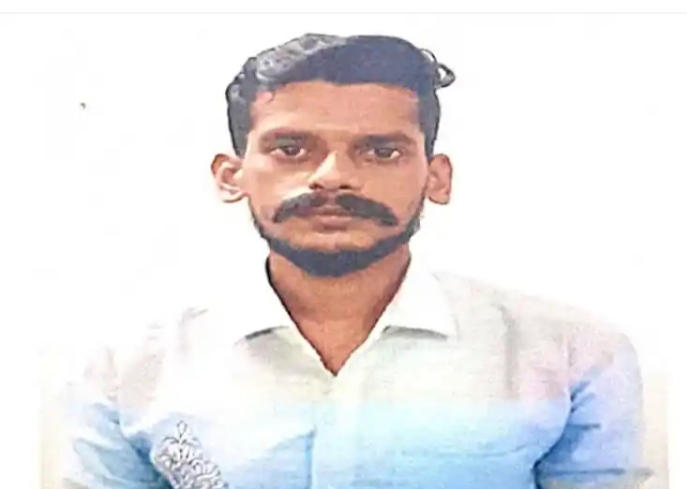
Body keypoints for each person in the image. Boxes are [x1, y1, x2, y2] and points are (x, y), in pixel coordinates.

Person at [59, 33, 651, 489]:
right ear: (231, 176)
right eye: (292, 149)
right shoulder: (128, 369)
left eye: (381, 151)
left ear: (436, 178)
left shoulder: (572, 357)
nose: (333, 176)